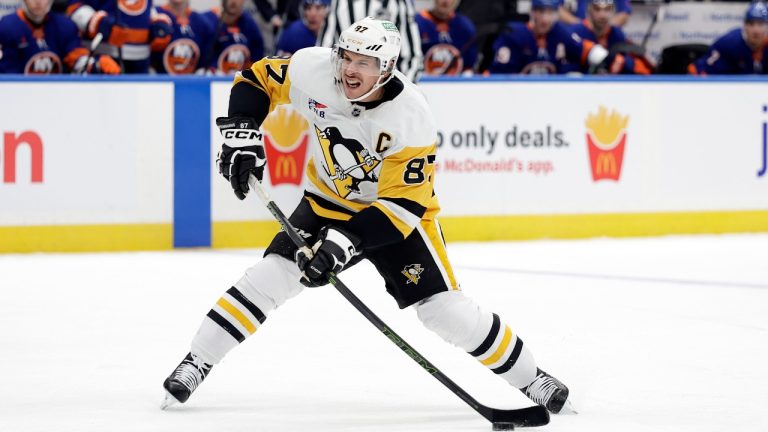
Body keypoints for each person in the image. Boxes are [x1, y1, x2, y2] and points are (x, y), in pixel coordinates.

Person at [160, 16, 573, 417]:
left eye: (364, 62)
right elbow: (256, 79)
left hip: (394, 215)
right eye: (346, 57)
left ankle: (532, 378)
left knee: (445, 312)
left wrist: (344, 243)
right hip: (326, 201)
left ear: (387, 68)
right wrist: (243, 134)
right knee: (270, 276)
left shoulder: (411, 116)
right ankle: (197, 361)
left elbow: (402, 207)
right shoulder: (313, 68)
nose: (349, 70)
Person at [488, 0, 614, 74]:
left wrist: (610, 59)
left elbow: (584, 50)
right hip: (517, 98)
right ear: (532, 12)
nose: (545, 19)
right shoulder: (513, 34)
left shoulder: (559, 32)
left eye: (550, 13)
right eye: (541, 12)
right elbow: (499, 75)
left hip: (551, 99)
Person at [0, 0, 119, 73]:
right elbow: (8, 73)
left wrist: (95, 64)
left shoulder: (64, 25)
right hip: (19, 97)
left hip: (57, 97)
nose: (38, 1)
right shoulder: (7, 26)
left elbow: (77, 59)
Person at [318, 0, 423, 82]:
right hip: (344, 88)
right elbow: (324, 51)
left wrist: (399, 93)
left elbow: (412, 56)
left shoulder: (397, 3)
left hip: (386, 92)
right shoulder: (339, 3)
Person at [66, 0, 172, 73]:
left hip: (141, 63)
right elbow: (74, 7)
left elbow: (146, 8)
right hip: (104, 61)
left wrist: (157, 23)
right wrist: (95, 23)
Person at [570, 0, 651, 75]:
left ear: (613, 12)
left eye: (607, 9)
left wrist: (622, 62)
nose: (602, 15)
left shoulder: (617, 34)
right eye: (597, 9)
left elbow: (630, 65)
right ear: (589, 11)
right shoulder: (577, 33)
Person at [688, 1, 768, 75]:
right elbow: (695, 70)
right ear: (745, 26)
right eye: (751, 24)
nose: (756, 30)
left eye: (761, 24)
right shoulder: (730, 42)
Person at [415, 0, 477, 76]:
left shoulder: (465, 27)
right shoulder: (416, 23)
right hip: (420, 82)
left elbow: (468, 67)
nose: (446, 1)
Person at [202, 0, 264, 74]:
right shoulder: (207, 21)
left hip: (238, 80)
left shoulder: (250, 25)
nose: (234, 1)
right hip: (211, 78)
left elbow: (257, 59)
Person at [152, 0, 214, 74]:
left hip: (189, 83)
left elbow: (207, 62)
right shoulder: (153, 15)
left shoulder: (202, 24)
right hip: (158, 82)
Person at [559, 0, 631, 27]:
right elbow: (557, 9)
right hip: (577, 34)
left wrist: (604, 29)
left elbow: (624, 14)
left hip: (607, 37)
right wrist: (582, 26)